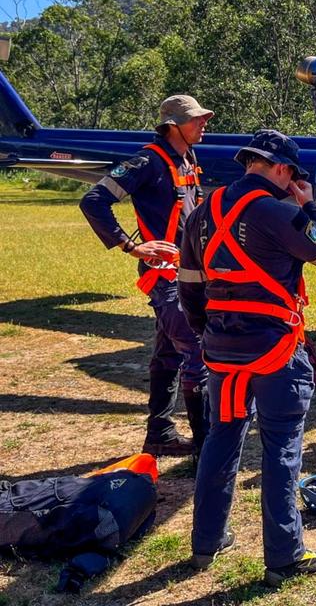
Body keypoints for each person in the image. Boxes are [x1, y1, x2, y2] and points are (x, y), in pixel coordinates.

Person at [177, 129, 316, 587]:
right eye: (292, 174)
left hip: (222, 351)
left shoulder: (202, 213)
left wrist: (210, 334)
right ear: (282, 169)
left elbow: (189, 288)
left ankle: (206, 543)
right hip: (273, 351)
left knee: (221, 438)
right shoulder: (279, 212)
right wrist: (309, 205)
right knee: (281, 447)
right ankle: (284, 558)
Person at [80, 94, 213, 458]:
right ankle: (206, 451)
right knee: (197, 351)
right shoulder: (148, 161)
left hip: (189, 274)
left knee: (168, 355)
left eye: (203, 118)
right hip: (166, 276)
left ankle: (160, 434)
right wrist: (131, 246)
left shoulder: (187, 158)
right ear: (173, 125)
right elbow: (93, 200)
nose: (203, 123)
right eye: (195, 119)